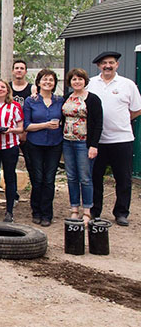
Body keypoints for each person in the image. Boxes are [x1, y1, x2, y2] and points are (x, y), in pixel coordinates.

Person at [87, 51, 140, 226]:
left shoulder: (127, 84)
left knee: (123, 178)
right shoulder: (91, 84)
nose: (107, 66)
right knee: (96, 178)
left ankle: (121, 213)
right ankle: (95, 211)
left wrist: (121, 121)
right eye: (104, 63)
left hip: (121, 139)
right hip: (97, 141)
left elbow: (136, 109)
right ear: (98, 66)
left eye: (111, 63)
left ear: (117, 65)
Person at [61, 68, 103, 224]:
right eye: (73, 79)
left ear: (85, 81)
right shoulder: (67, 98)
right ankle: (74, 209)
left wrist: (93, 145)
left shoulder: (92, 99)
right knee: (71, 177)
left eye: (79, 79)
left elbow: (98, 124)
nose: (76, 82)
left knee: (85, 178)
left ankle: (87, 211)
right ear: (69, 82)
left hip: (83, 143)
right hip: (67, 142)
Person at [23, 69, 63, 226]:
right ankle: (36, 211)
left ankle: (47, 213)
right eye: (44, 79)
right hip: (35, 144)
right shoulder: (30, 101)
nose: (48, 82)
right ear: (38, 82)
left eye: (51, 80)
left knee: (49, 179)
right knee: (37, 179)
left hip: (54, 144)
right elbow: (26, 125)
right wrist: (45, 125)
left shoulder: (60, 100)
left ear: (54, 83)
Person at [0, 80, 24, 223]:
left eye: (3, 87)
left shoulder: (15, 106)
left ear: (8, 90)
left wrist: (9, 130)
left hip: (10, 145)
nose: (0, 89)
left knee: (9, 178)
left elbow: (21, 128)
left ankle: (9, 211)